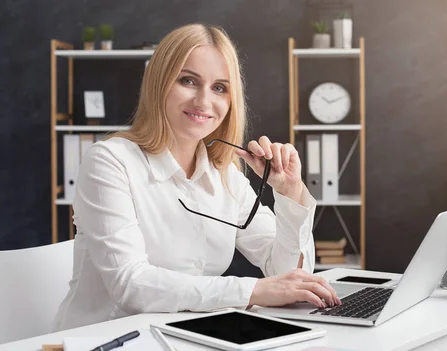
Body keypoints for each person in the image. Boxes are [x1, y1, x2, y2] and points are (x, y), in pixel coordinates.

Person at [52, 23, 341, 332]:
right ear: (159, 84)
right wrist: (253, 291)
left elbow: (290, 276)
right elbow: (130, 284)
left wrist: (289, 194)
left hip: (184, 335)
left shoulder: (225, 174)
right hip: (106, 338)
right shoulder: (110, 161)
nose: (204, 101)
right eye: (188, 81)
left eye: (219, 87)